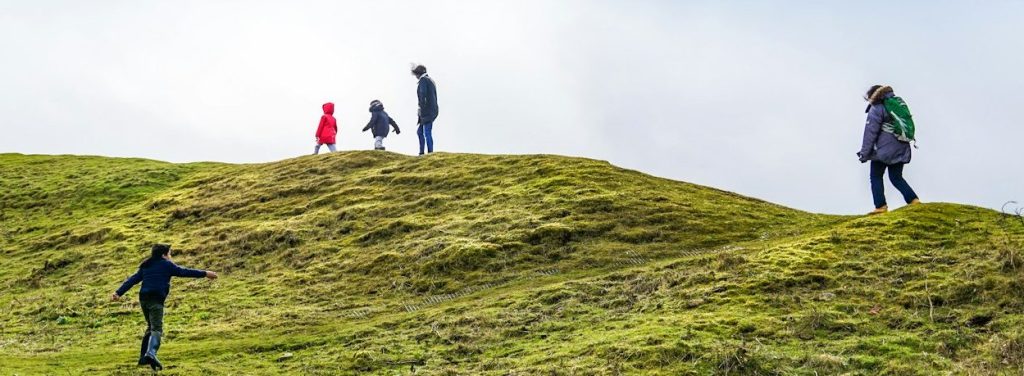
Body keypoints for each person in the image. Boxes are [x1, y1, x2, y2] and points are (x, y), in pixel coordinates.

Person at [111, 244, 218, 370]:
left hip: (144, 299)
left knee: (150, 327)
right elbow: (184, 272)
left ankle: (143, 358)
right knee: (156, 328)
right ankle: (151, 353)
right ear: (164, 255)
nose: (170, 256)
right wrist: (205, 273)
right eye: (169, 253)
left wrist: (118, 292)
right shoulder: (166, 265)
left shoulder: (146, 265)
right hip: (156, 299)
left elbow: (133, 279)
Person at [858, 85, 921, 215]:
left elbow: (870, 133)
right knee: (896, 177)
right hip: (901, 147)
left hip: (882, 151)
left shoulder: (877, 108)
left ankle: (880, 206)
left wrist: (864, 154)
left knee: (875, 176)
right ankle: (914, 200)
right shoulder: (896, 105)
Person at [411, 65, 439, 155]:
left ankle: (427, 152)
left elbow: (423, 95)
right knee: (422, 131)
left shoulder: (423, 81)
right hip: (432, 110)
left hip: (426, 111)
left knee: (426, 132)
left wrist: (421, 109)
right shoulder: (430, 80)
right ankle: (424, 152)